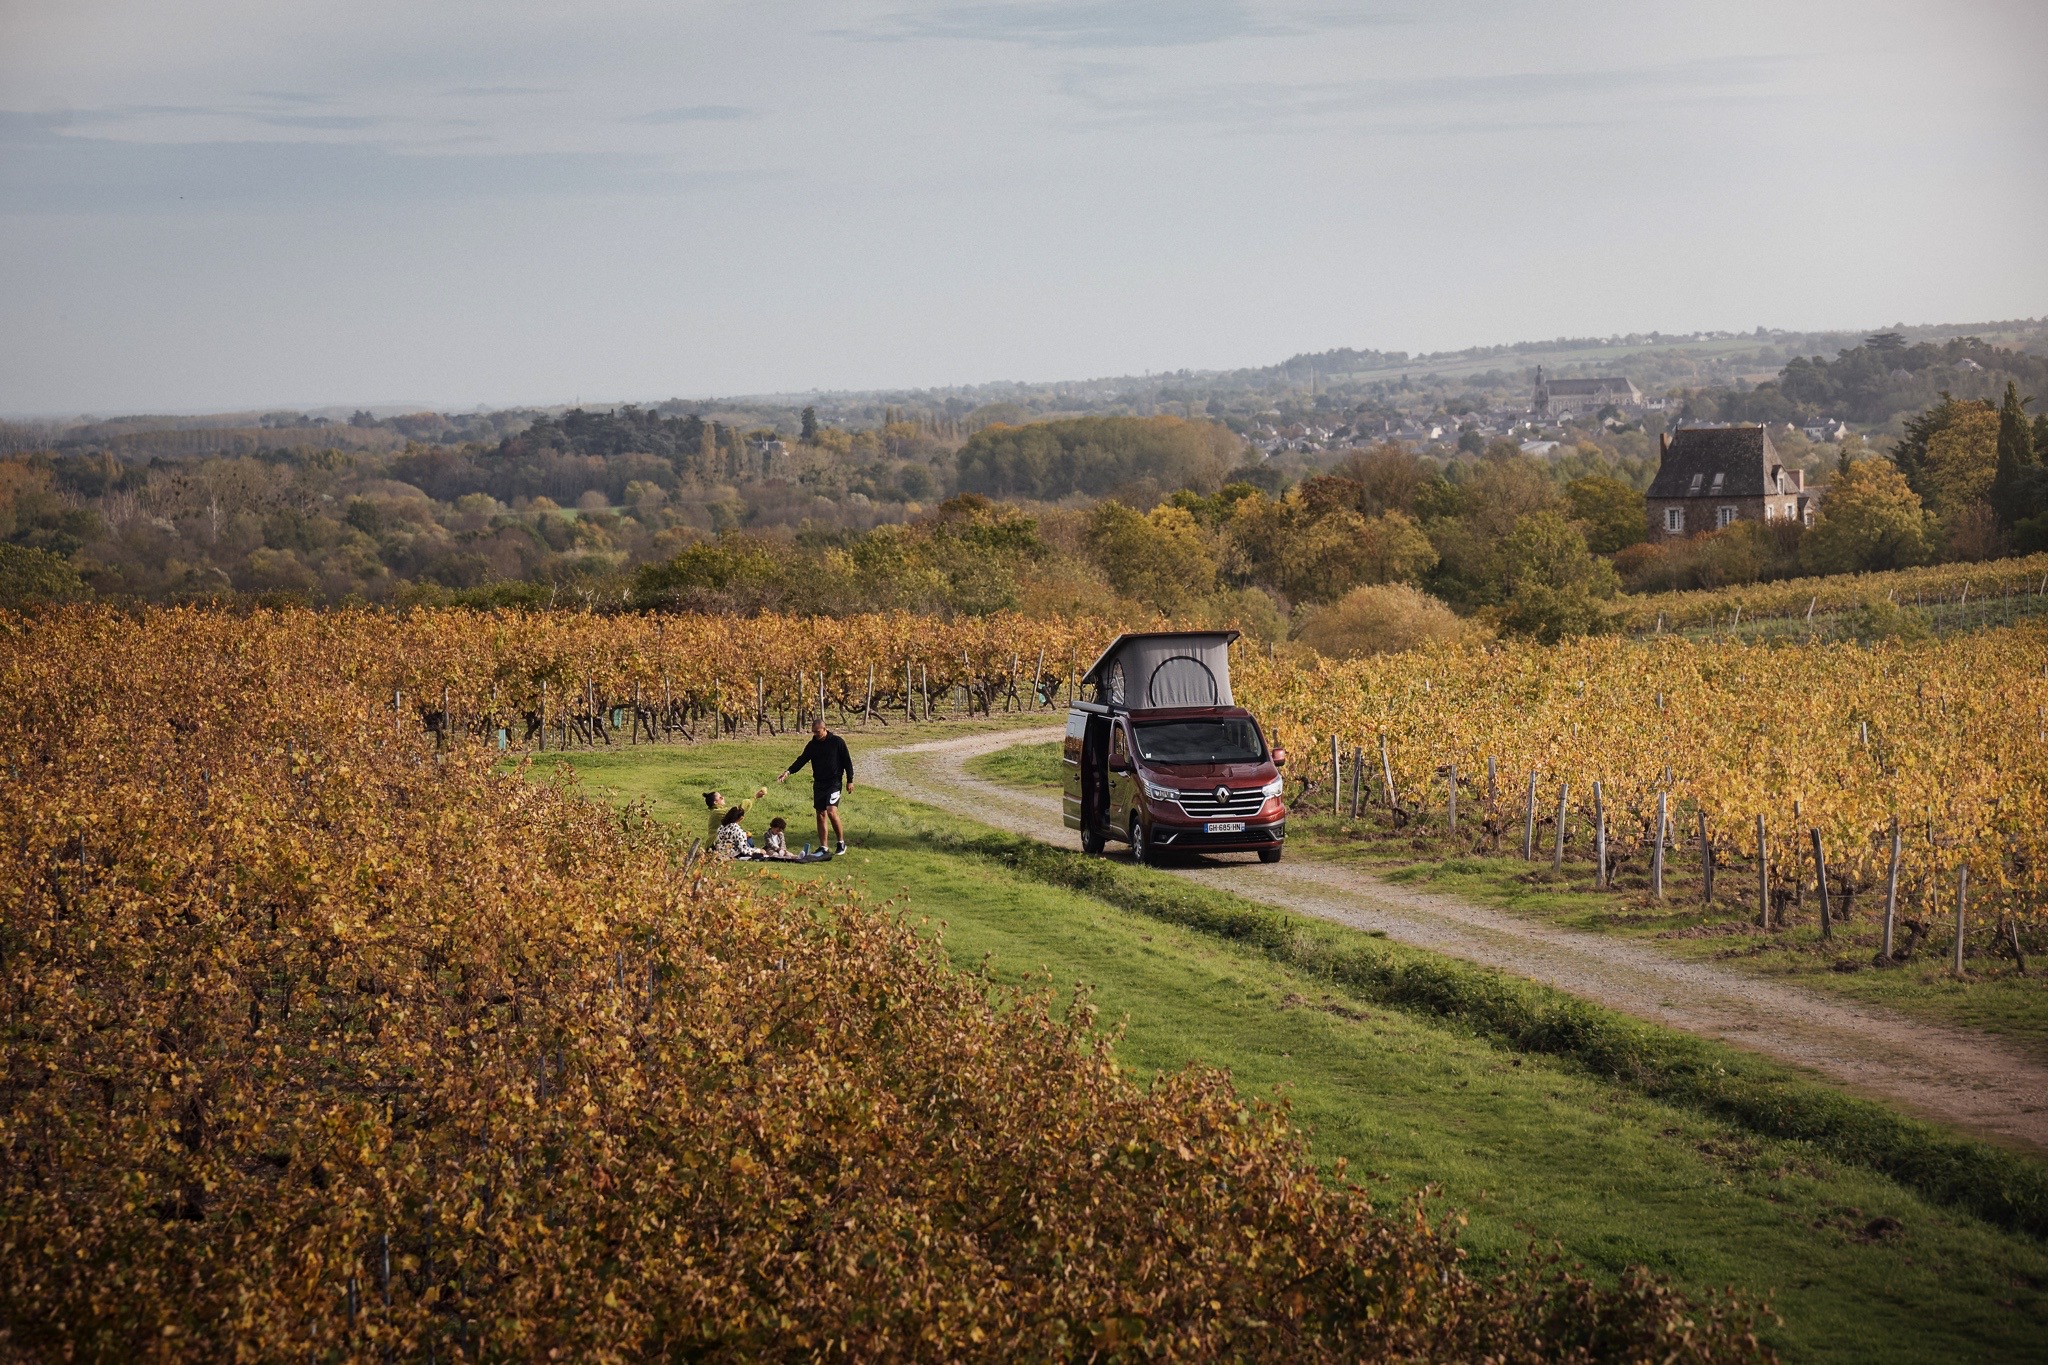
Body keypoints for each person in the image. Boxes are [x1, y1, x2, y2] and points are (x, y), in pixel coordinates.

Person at [778, 720, 853, 856]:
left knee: (831, 811)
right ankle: (823, 847)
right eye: (814, 732)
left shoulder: (837, 742)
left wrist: (850, 780)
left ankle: (841, 843)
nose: (816, 735)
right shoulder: (812, 745)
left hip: (834, 782)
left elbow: (847, 761)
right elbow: (802, 760)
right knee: (820, 814)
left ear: (825, 729)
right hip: (819, 783)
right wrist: (788, 772)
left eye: (818, 732)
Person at [704, 785, 767, 852]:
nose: (723, 797)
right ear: (715, 802)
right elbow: (739, 810)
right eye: (720, 797)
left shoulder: (716, 812)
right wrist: (755, 797)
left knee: (746, 836)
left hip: (719, 841)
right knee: (746, 838)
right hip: (717, 844)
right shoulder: (718, 812)